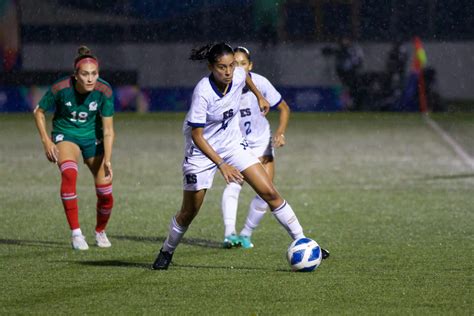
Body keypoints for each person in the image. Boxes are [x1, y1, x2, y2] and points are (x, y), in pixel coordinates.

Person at [152, 43, 329, 270]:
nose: (228, 72)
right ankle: (167, 251)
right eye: (221, 67)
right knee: (189, 211)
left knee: (270, 192)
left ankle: (303, 241)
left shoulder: (236, 73)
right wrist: (221, 164)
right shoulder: (203, 92)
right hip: (201, 152)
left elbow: (244, 76)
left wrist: (259, 97)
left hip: (233, 144)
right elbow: (197, 135)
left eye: (231, 65)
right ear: (210, 67)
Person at [33, 46, 115, 250]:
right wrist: (47, 141)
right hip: (66, 134)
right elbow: (39, 111)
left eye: (94, 74)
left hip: (93, 139)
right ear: (75, 75)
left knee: (105, 192)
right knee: (69, 175)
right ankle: (76, 233)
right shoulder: (60, 88)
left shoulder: (104, 91)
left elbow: (108, 130)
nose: (90, 79)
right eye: (85, 74)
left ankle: (100, 231)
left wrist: (108, 159)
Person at [221, 46, 290, 249]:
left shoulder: (260, 83)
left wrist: (280, 132)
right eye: (235, 64)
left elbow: (284, 108)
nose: (239, 68)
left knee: (266, 190)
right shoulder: (225, 86)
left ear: (250, 65)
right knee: (234, 184)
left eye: (244, 63)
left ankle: (245, 235)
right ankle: (229, 234)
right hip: (237, 145)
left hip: (261, 143)